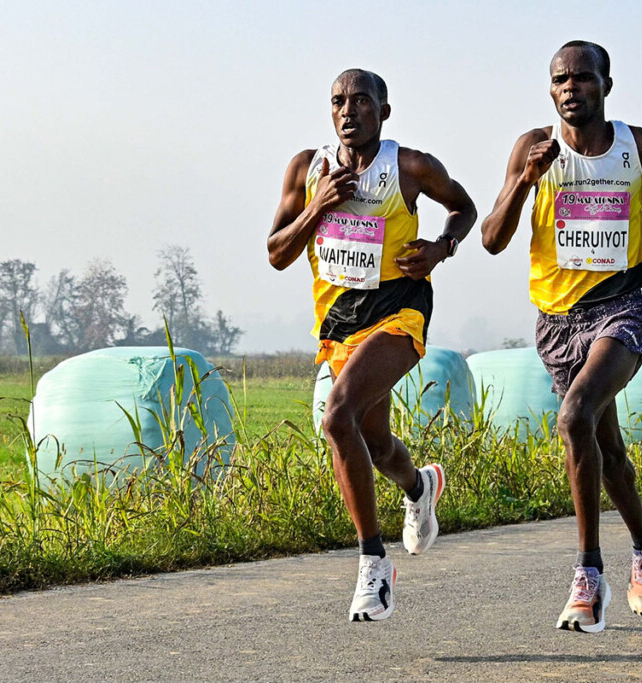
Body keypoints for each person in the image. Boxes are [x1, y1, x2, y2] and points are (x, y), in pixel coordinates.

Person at [480, 41, 642, 633]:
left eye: (582, 78)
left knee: (575, 417)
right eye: (559, 80)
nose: (570, 87)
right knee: (611, 453)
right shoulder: (533, 148)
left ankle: (588, 574)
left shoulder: (635, 145)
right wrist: (526, 180)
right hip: (558, 323)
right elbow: (493, 238)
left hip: (621, 307)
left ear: (606, 84)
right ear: (550, 90)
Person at [268, 69, 476, 622]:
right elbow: (276, 252)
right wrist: (319, 207)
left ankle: (373, 563)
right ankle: (420, 485)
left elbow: (464, 207)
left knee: (338, 419)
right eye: (338, 101)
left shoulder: (410, 166)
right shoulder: (307, 169)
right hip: (338, 323)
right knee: (376, 443)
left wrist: (440, 248)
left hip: (400, 310)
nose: (348, 111)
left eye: (361, 101)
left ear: (384, 112)